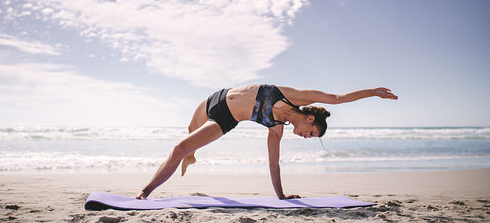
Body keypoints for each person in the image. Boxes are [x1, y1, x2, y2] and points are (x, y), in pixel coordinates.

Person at [137, 84, 398, 200]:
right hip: (216, 97)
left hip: (226, 117)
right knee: (188, 135)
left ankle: (144, 193)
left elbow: (274, 165)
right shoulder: (292, 96)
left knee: (180, 147)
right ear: (309, 120)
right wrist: (372, 93)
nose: (307, 138)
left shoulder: (276, 129)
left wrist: (281, 196)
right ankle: (190, 158)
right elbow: (338, 97)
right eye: (312, 134)